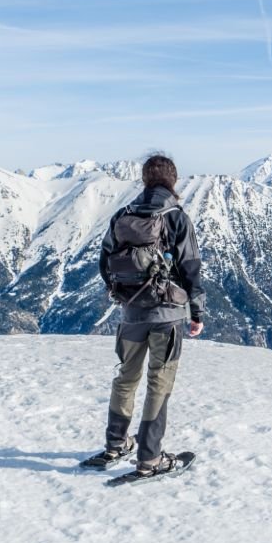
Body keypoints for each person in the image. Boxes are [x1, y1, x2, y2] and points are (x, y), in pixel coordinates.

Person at [86, 154, 205, 477]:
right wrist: (197, 311)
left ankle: (116, 444)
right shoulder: (176, 217)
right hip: (166, 316)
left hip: (131, 314)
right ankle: (150, 458)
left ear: (144, 180)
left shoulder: (123, 215)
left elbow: (105, 263)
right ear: (174, 181)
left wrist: (124, 294)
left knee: (125, 378)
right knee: (159, 383)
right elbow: (191, 267)